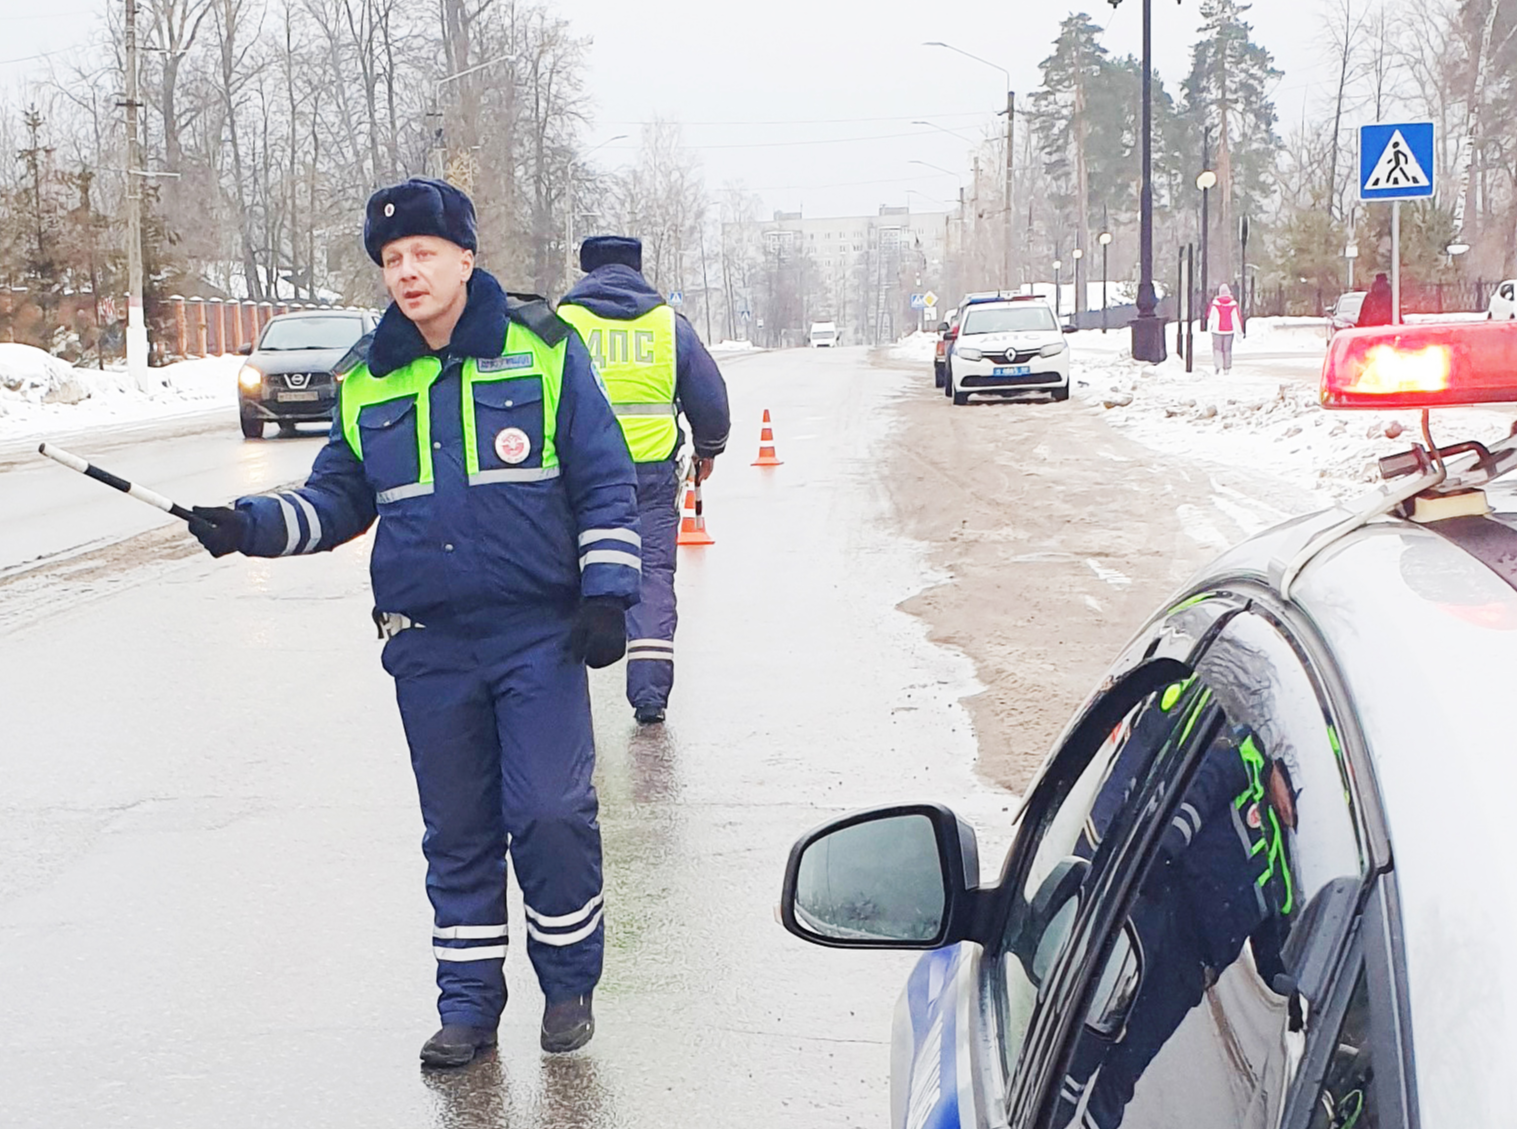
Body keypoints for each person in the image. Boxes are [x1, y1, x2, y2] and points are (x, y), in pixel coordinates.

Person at [184, 178, 640, 1068]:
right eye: (391, 260)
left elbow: (603, 476)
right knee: (460, 827)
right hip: (427, 643)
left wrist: (607, 594)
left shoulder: (544, 348)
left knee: (547, 810)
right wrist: (247, 525)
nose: (407, 272)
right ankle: (468, 1005)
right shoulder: (368, 377)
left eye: (424, 253)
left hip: (537, 632)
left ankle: (567, 982)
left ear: (466, 258)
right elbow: (336, 499)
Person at [557, 236, 731, 725]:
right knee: (652, 576)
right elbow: (711, 401)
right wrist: (708, 450)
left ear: (586, 271)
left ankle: (559, 697)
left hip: (576, 478)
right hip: (650, 476)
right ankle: (650, 696)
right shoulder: (667, 326)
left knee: (566, 577)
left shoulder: (562, 325)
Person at [1205, 283, 1240, 374]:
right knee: (1227, 349)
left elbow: (1211, 316)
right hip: (1229, 330)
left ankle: (1218, 366)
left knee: (1217, 349)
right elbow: (1236, 318)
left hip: (1216, 330)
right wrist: (1239, 331)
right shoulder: (1233, 304)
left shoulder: (1215, 303)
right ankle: (1226, 368)